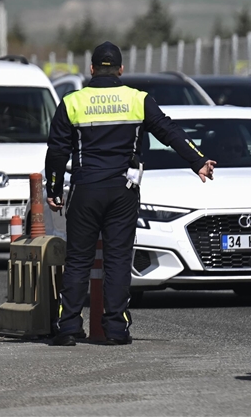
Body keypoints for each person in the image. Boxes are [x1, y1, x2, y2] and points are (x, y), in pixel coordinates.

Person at [45, 42, 217, 346]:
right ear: (121, 70)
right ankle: (115, 328)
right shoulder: (138, 99)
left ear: (92, 69)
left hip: (85, 190)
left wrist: (54, 187)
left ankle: (69, 327)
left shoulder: (73, 101)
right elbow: (169, 131)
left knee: (78, 261)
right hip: (123, 192)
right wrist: (198, 161)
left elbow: (57, 151)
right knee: (118, 260)